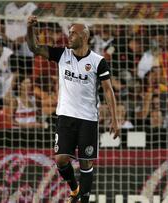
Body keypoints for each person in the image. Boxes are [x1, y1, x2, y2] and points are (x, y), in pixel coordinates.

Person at [26, 15, 120, 203]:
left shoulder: (97, 61)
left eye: (73, 33)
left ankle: (83, 199)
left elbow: (108, 91)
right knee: (61, 159)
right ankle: (75, 189)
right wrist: (30, 29)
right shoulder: (63, 55)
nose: (69, 36)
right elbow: (35, 48)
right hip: (65, 116)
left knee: (86, 162)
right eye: (69, 33)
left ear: (84, 37)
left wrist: (115, 120)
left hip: (88, 119)